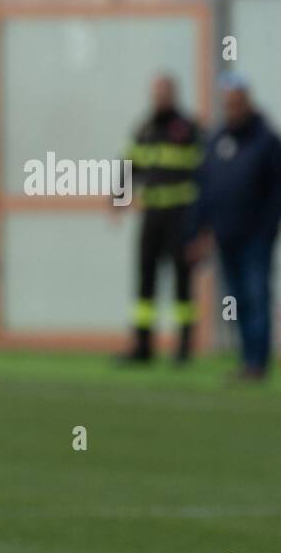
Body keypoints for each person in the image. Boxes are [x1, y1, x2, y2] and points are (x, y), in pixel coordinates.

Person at [186, 74, 281, 380]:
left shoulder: (266, 141)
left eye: (237, 104)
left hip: (256, 237)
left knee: (256, 296)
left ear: (247, 103)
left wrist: (268, 229)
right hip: (225, 235)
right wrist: (198, 232)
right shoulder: (216, 140)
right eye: (228, 105)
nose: (233, 110)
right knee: (237, 299)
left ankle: (258, 362)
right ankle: (247, 359)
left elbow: (276, 191)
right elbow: (206, 188)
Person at [116, 74, 203, 364]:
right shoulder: (145, 129)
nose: (161, 97)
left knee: (182, 281)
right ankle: (142, 346)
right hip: (153, 217)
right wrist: (118, 200)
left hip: (181, 215)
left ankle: (183, 348)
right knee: (146, 281)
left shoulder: (189, 129)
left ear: (174, 94)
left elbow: (206, 173)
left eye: (165, 92)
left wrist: (204, 221)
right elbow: (129, 164)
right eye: (157, 92)